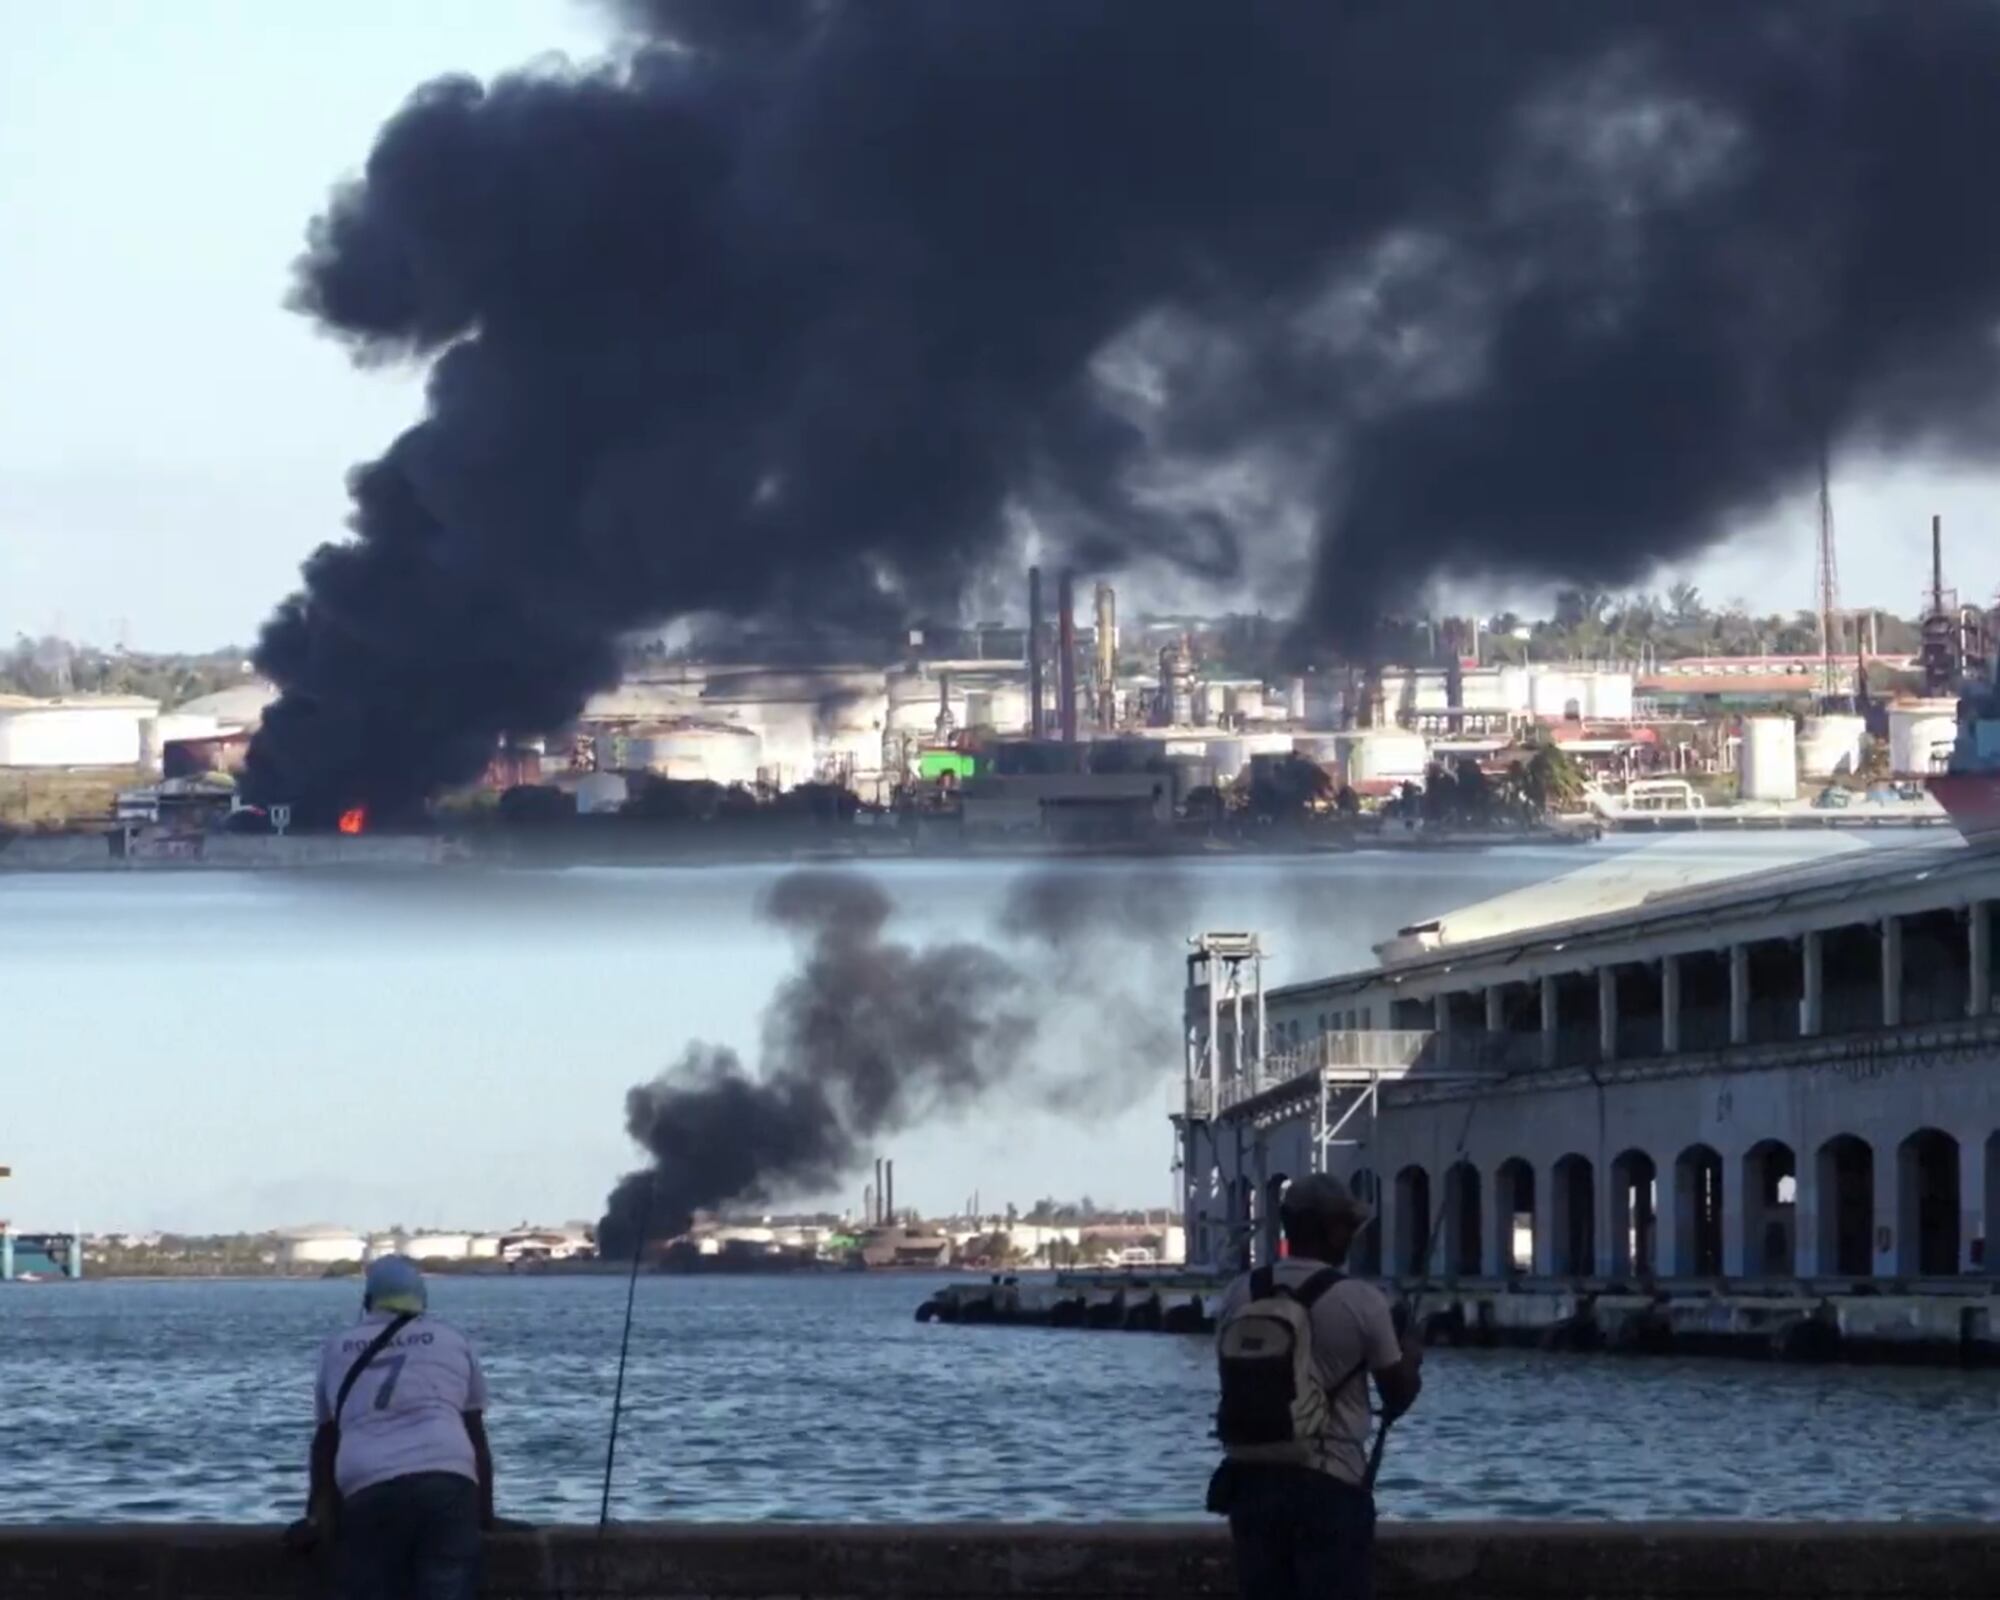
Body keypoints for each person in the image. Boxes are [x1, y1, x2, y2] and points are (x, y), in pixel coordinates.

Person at [1206, 1174, 1422, 1600]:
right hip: (1330, 1486)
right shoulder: (1361, 1301)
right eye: (1347, 1225)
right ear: (1333, 1229)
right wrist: (1411, 1353)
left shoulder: (1239, 1294)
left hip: (1251, 1485)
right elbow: (1397, 1395)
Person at [305, 1254, 495, 1600]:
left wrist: (316, 1515)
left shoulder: (336, 1348)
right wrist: (486, 1516)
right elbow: (475, 1434)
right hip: (447, 1479)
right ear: (422, 1299)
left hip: (367, 1484)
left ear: (367, 1301)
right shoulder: (452, 1340)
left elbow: (326, 1439)